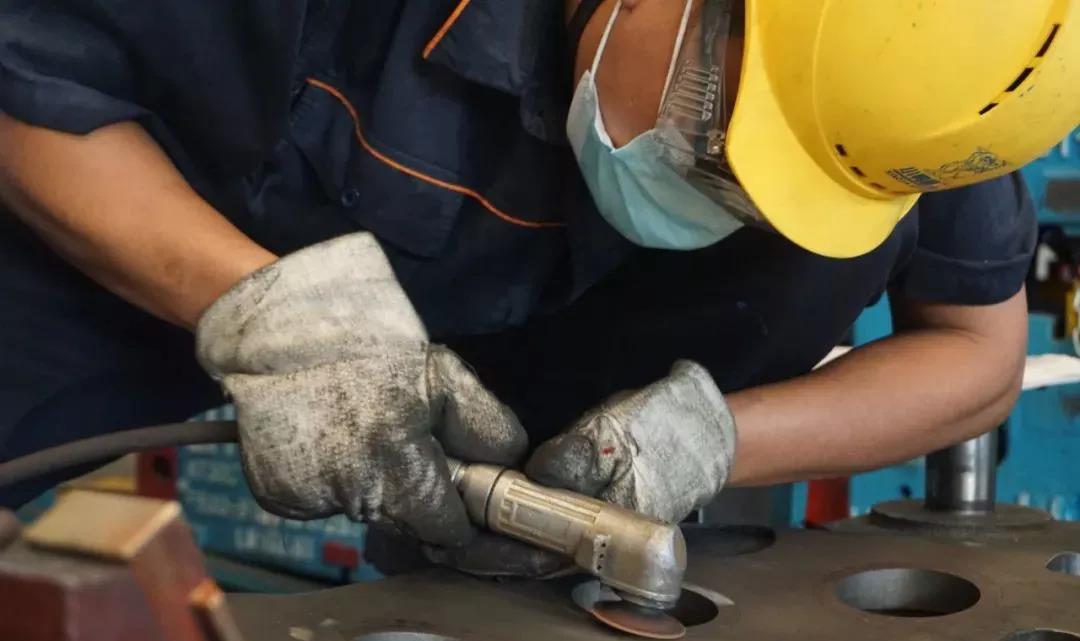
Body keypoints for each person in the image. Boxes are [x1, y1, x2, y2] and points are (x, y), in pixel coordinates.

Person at [0, 0, 1077, 574]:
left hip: (521, 473)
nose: (738, 198)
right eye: (720, 141)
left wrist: (711, 441)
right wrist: (283, 323)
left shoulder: (927, 81)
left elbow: (977, 355)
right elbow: (33, 73)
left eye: (779, 194)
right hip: (131, 238)